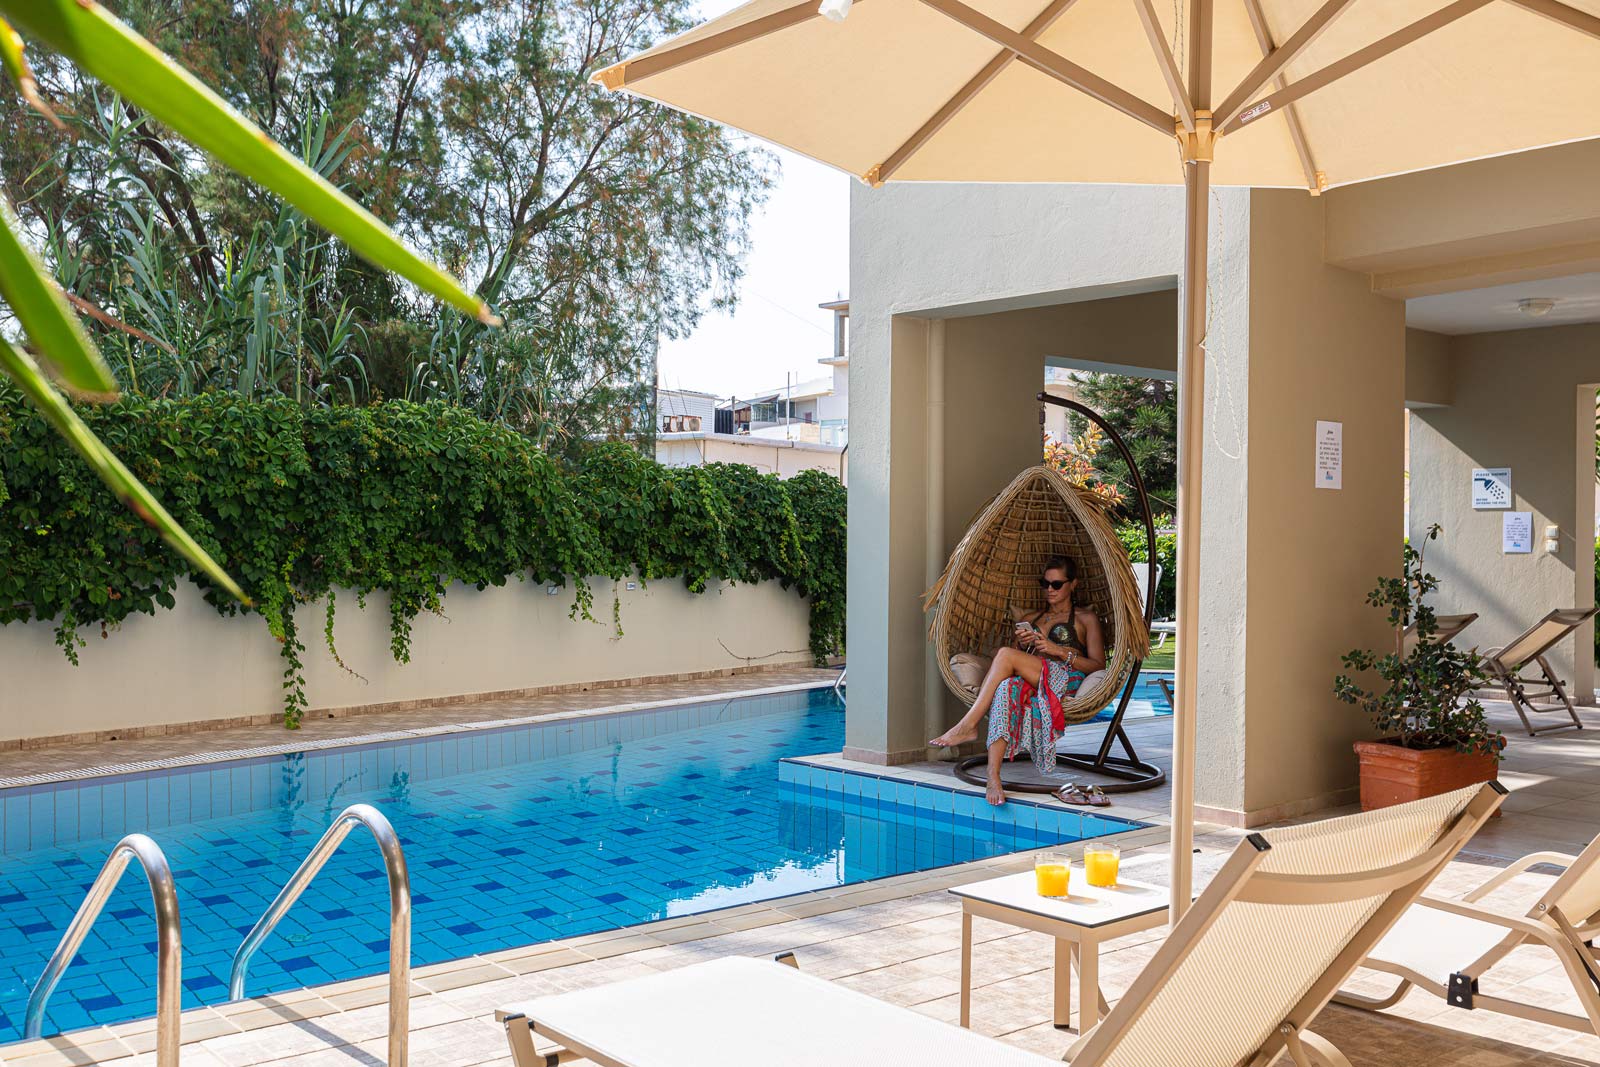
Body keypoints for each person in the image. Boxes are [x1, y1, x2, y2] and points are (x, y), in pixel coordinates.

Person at [929, 556, 1105, 805]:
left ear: (1073, 584)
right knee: (1005, 687)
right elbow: (1012, 660)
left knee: (1005, 655)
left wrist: (1056, 650)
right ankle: (993, 775)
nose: (1049, 590)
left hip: (1063, 678)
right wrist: (1022, 644)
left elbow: (1098, 665)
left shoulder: (1085, 619)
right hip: (1032, 676)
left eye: (1057, 584)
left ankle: (968, 724)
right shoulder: (1033, 617)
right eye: (1045, 584)